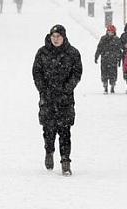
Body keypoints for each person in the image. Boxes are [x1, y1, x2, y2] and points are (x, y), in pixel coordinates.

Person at [32, 24, 83, 176]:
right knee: (48, 130)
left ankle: (65, 161)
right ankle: (49, 151)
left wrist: (67, 89)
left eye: (58, 36)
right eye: (53, 36)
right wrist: (43, 89)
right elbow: (36, 72)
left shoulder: (72, 53)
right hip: (47, 98)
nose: (56, 39)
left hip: (65, 99)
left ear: (63, 37)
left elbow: (77, 73)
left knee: (65, 131)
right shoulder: (42, 53)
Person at [94, 24, 123, 94]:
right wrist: (96, 56)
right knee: (104, 73)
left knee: (113, 74)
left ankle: (112, 86)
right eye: (109, 31)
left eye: (112, 32)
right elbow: (99, 48)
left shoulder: (117, 39)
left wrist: (119, 59)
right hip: (105, 59)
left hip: (113, 60)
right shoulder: (103, 38)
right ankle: (105, 86)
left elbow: (119, 50)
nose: (110, 33)